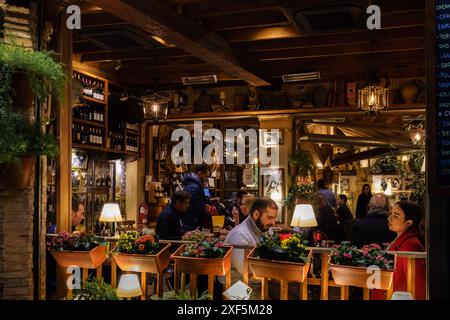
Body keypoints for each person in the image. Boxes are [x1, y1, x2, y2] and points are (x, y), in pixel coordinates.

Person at [372, 201, 426, 300]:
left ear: (408, 223)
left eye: (396, 216)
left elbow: (418, 284)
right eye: (391, 214)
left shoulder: (410, 245)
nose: (389, 218)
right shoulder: (402, 240)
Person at [225, 197, 278, 275]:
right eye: (270, 218)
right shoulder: (240, 235)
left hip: (255, 282)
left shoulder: (264, 230)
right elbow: (245, 271)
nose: (273, 222)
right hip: (238, 285)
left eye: (274, 218)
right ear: (256, 214)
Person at [182, 164, 211, 231]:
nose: (206, 178)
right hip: (192, 220)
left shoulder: (192, 184)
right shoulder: (195, 187)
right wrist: (211, 218)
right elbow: (198, 207)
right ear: (199, 173)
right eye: (206, 176)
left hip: (190, 218)